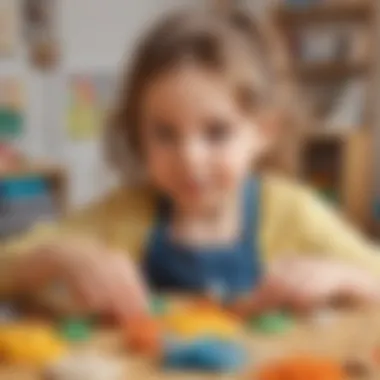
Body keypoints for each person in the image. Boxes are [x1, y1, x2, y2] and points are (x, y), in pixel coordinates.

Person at [2, 8, 379, 322]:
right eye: (165, 134)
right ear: (138, 135)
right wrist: (59, 257)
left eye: (216, 132)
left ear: (264, 131)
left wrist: (345, 277)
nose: (190, 158)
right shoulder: (121, 214)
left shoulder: (293, 213)